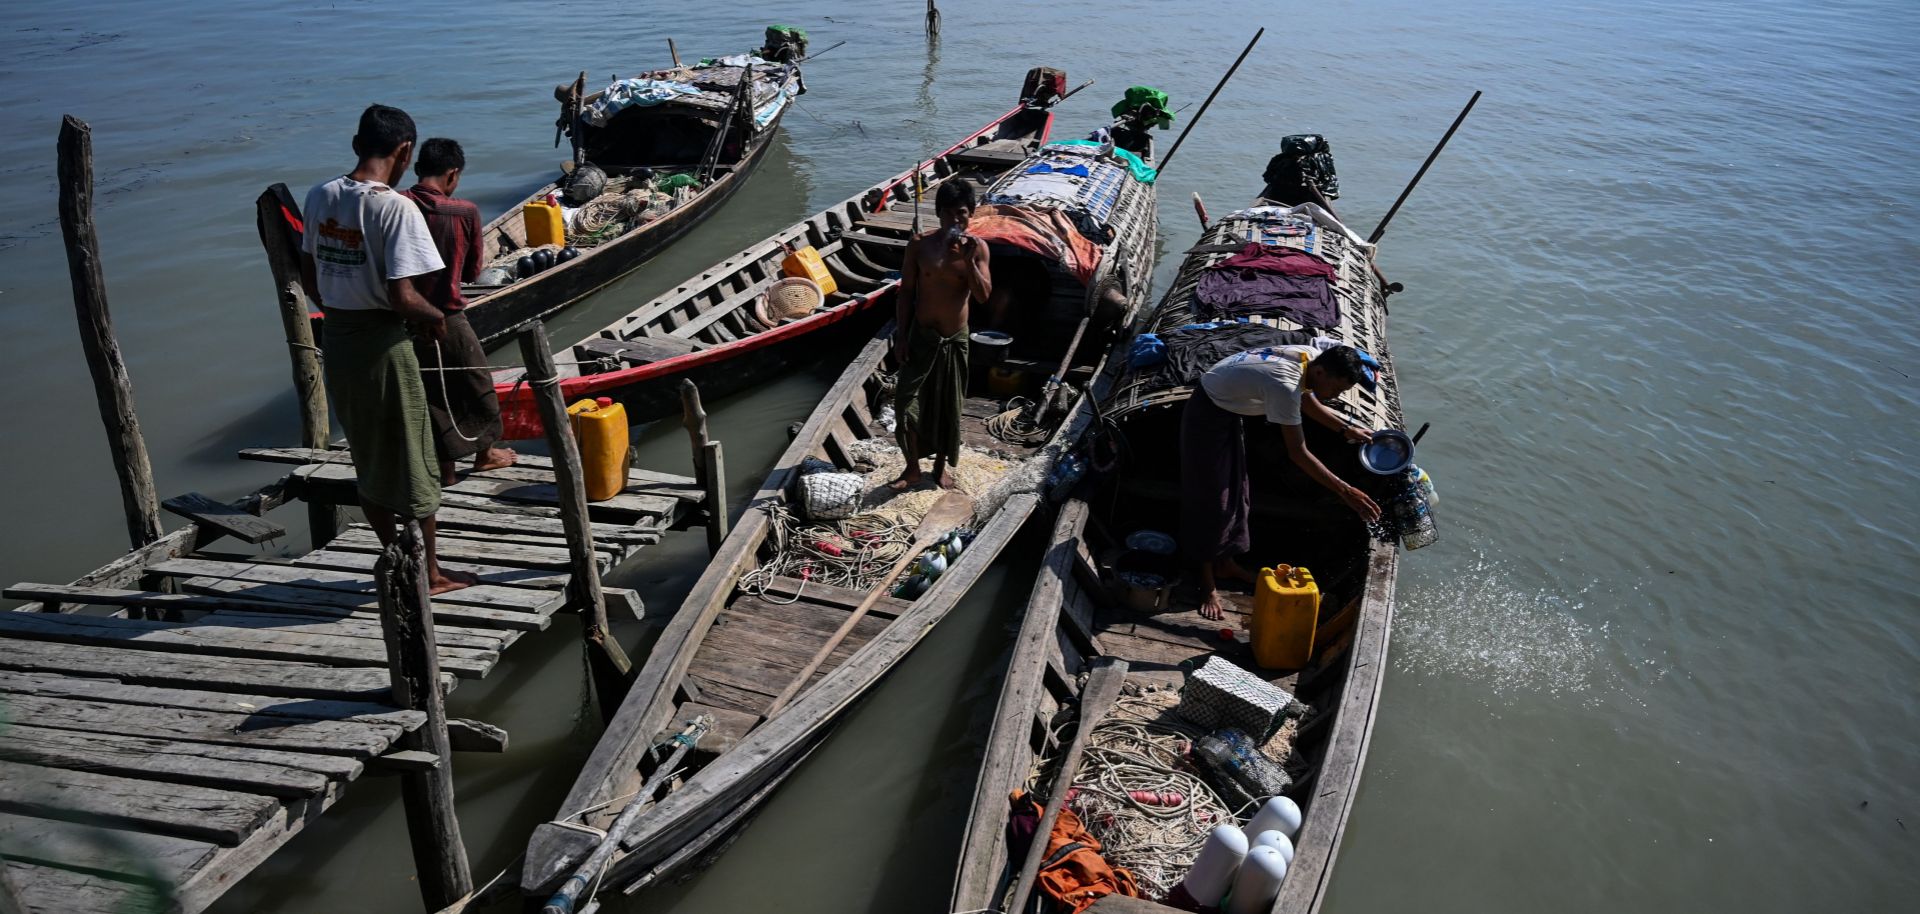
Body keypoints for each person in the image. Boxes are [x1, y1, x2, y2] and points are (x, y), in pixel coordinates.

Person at [299, 104, 473, 594]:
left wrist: (346, 304)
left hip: (340, 341)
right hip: (383, 346)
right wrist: (435, 318)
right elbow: (404, 295)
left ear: (358, 145)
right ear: (404, 152)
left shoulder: (320, 195)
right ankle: (431, 573)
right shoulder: (395, 206)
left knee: (369, 454)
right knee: (416, 458)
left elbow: (311, 277)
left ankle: (391, 551)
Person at [1181, 339, 1384, 621]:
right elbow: (1298, 453)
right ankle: (1206, 583)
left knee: (1237, 488)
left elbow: (1307, 399)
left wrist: (1345, 428)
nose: (1336, 396)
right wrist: (1346, 491)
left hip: (1230, 408)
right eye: (1336, 389)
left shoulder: (1310, 358)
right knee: (1213, 497)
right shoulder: (1284, 385)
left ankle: (1225, 563)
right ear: (1322, 372)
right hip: (1207, 412)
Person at [400, 138, 518, 486]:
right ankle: (485, 453)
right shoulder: (463, 212)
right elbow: (470, 273)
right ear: (453, 174)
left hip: (400, 317)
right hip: (445, 315)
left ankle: (446, 469)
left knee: (429, 393)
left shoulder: (396, 204)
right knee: (476, 383)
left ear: (418, 169)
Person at [891, 180, 991, 490]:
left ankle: (939, 468)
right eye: (947, 214)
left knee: (948, 405)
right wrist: (902, 336)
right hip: (922, 337)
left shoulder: (979, 249)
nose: (954, 220)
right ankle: (911, 469)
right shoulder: (920, 245)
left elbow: (983, 295)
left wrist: (971, 261)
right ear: (939, 214)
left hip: (953, 340)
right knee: (905, 403)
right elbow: (906, 292)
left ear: (970, 214)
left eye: (961, 213)